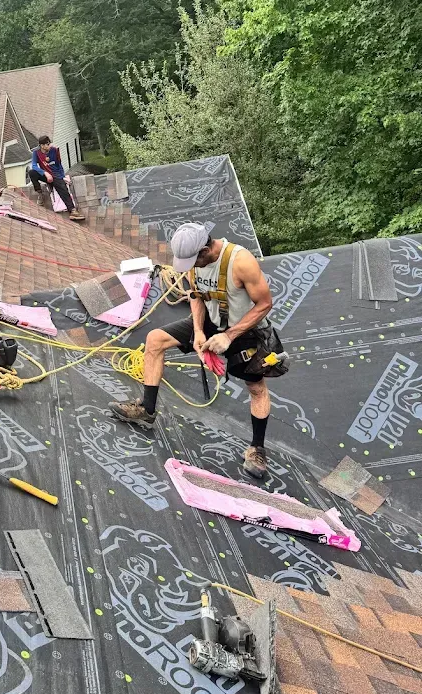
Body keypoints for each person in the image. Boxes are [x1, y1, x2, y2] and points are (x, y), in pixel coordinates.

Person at [110, 223, 276, 478]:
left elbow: (264, 304)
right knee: (155, 340)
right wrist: (198, 332)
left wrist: (229, 336)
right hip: (211, 321)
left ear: (206, 249)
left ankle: (257, 449)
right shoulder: (192, 265)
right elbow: (197, 296)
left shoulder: (241, 262)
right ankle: (147, 409)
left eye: (193, 261)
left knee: (256, 388)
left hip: (244, 329)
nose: (190, 268)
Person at [29, 135, 85, 221]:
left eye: (49, 143)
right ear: (42, 145)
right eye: (47, 144)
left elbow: (59, 164)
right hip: (46, 175)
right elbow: (34, 166)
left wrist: (62, 176)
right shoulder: (36, 153)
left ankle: (72, 211)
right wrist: (45, 173)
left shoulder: (54, 150)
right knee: (32, 173)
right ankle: (40, 193)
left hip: (56, 175)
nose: (49, 145)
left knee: (62, 189)